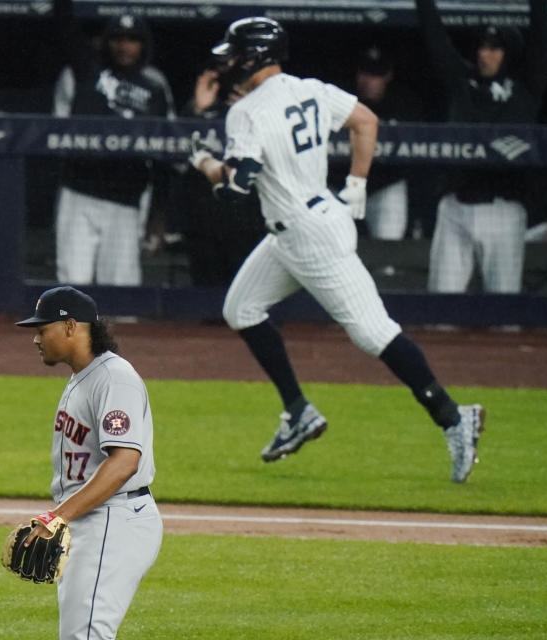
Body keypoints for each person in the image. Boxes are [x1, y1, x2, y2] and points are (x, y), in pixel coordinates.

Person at [189, 17, 485, 483]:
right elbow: (365, 120)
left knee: (373, 333)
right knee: (241, 307)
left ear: (254, 55)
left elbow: (235, 188)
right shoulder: (308, 88)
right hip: (306, 220)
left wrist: (204, 162)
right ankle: (298, 410)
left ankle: (453, 417)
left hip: (307, 234)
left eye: (235, 53)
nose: (228, 61)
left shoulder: (245, 112)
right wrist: (357, 186)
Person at [15, 285, 162, 639]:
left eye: (42, 329)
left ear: (71, 327)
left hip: (113, 521)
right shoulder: (83, 377)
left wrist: (57, 516)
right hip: (94, 518)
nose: (35, 339)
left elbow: (125, 461)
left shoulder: (114, 379)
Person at [416, 0, 547, 293]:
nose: (484, 54)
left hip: (503, 209)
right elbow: (435, 38)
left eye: (494, 48)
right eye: (482, 47)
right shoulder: (462, 82)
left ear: (508, 54)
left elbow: (542, 39)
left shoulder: (526, 88)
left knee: (504, 312)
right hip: (456, 207)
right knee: (440, 309)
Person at [52, 0, 175, 286]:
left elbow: (164, 157)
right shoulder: (87, 72)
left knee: (121, 289)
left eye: (133, 40)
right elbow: (64, 25)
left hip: (127, 200)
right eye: (118, 38)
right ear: (107, 42)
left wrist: (157, 217)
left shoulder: (155, 87)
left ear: (144, 45)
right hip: (80, 193)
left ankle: (115, 334)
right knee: (73, 283)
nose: (125, 46)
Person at [168, 66, 266, 287]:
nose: (239, 87)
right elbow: (175, 158)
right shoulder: (205, 109)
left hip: (248, 217)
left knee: (248, 292)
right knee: (208, 296)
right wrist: (197, 112)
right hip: (204, 216)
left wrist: (255, 110)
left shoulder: (265, 112)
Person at [343, 44, 431, 242]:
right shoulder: (343, 99)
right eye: (364, 73)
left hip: (386, 185)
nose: (368, 81)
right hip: (343, 183)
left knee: (389, 249)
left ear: (388, 76)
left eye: (375, 75)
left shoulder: (404, 104)